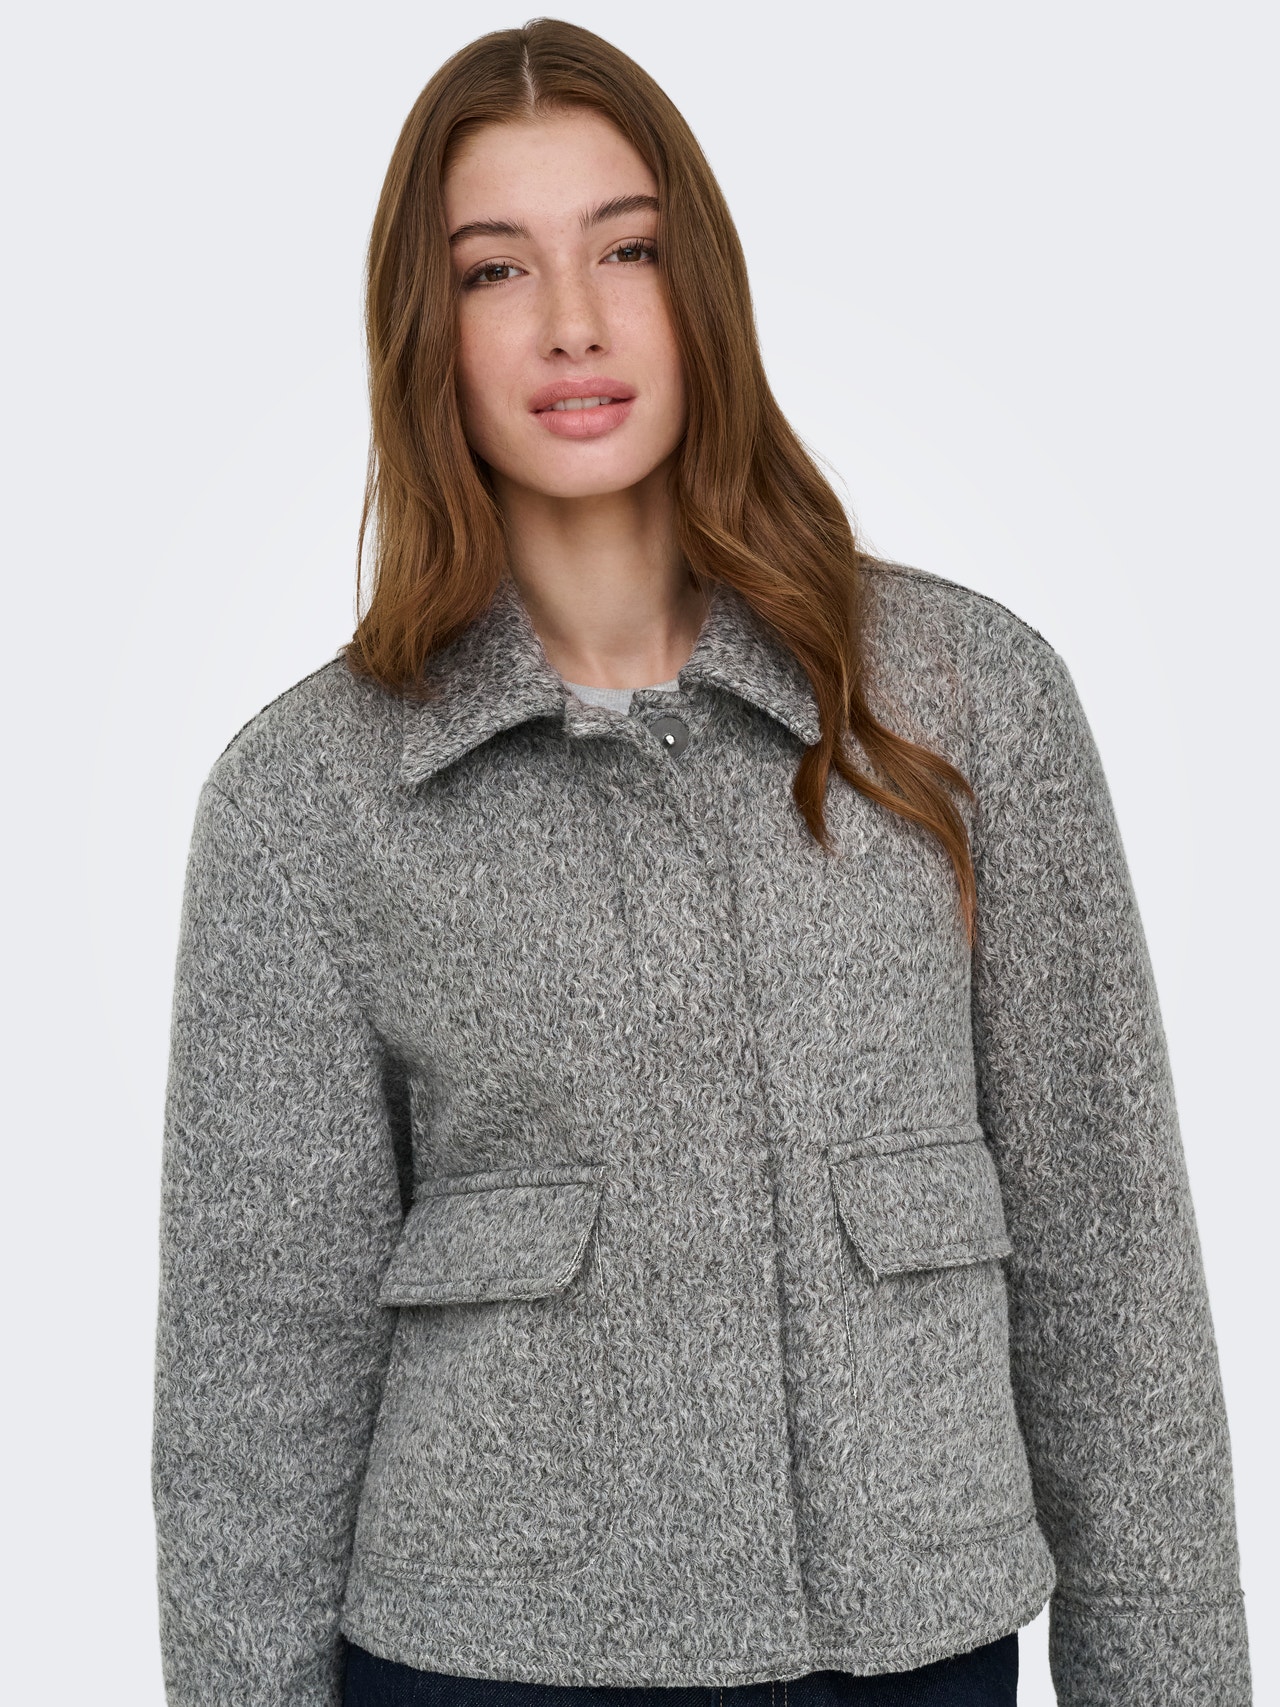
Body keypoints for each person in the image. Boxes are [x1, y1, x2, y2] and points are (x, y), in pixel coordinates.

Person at [150, 18, 1252, 1707]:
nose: (573, 321)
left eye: (627, 248)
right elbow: (252, 1392)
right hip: (485, 1664)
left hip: (912, 1647)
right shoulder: (309, 802)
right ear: (427, 329)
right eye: (496, 269)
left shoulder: (968, 702)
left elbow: (1115, 1278)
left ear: (703, 289)